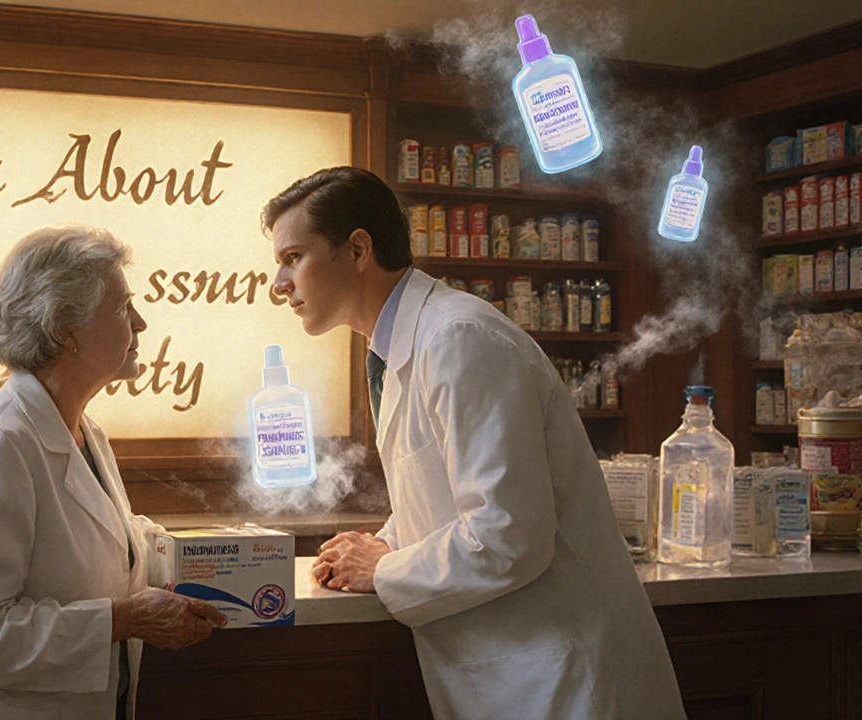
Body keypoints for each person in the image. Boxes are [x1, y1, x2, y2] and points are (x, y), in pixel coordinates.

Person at [263, 167, 685, 719]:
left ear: (358, 248)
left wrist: (381, 569)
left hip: (565, 679)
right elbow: (448, 493)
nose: (278, 285)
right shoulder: (397, 350)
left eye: (293, 257)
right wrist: (385, 542)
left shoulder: (459, 338)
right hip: (514, 673)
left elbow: (508, 534)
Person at [0, 226, 227, 720]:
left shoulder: (83, 432)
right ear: (65, 328)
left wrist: (225, 556)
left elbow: (112, 546)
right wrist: (121, 620)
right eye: (122, 308)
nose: (141, 322)